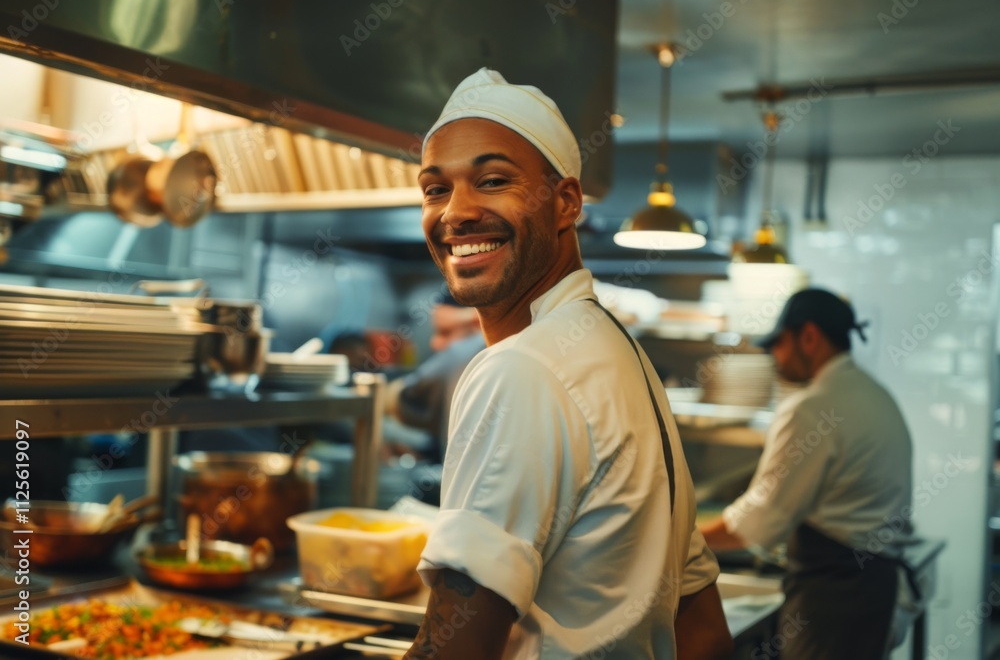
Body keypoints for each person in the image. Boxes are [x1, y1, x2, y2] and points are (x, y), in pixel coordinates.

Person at [403, 67, 731, 660]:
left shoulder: (523, 369)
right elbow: (705, 634)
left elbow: (453, 651)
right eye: (434, 188)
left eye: (493, 180)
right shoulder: (621, 355)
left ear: (566, 203)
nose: (456, 212)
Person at [699, 288, 913, 660]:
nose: (774, 357)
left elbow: (761, 519)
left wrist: (685, 540)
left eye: (779, 343)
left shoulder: (812, 408)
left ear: (809, 337)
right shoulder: (875, 394)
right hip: (873, 588)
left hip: (835, 597)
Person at [385, 290, 486, 461]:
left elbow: (399, 398)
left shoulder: (466, 351)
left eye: (446, 332)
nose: (435, 343)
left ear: (478, 325)